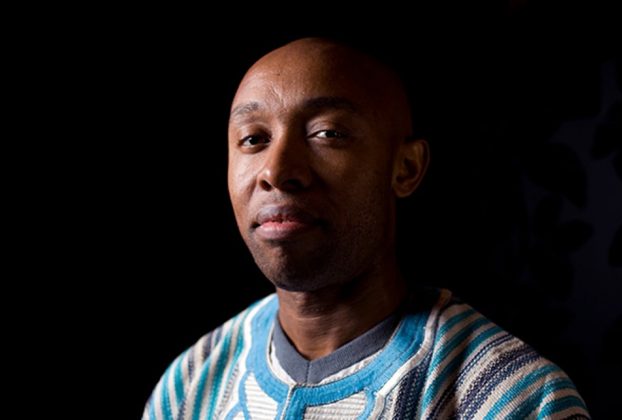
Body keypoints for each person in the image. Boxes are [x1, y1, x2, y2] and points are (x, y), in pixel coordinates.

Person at [143, 37, 589, 419]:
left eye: (327, 133)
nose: (276, 171)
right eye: (254, 139)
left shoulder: (515, 399)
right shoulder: (191, 385)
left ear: (406, 168)